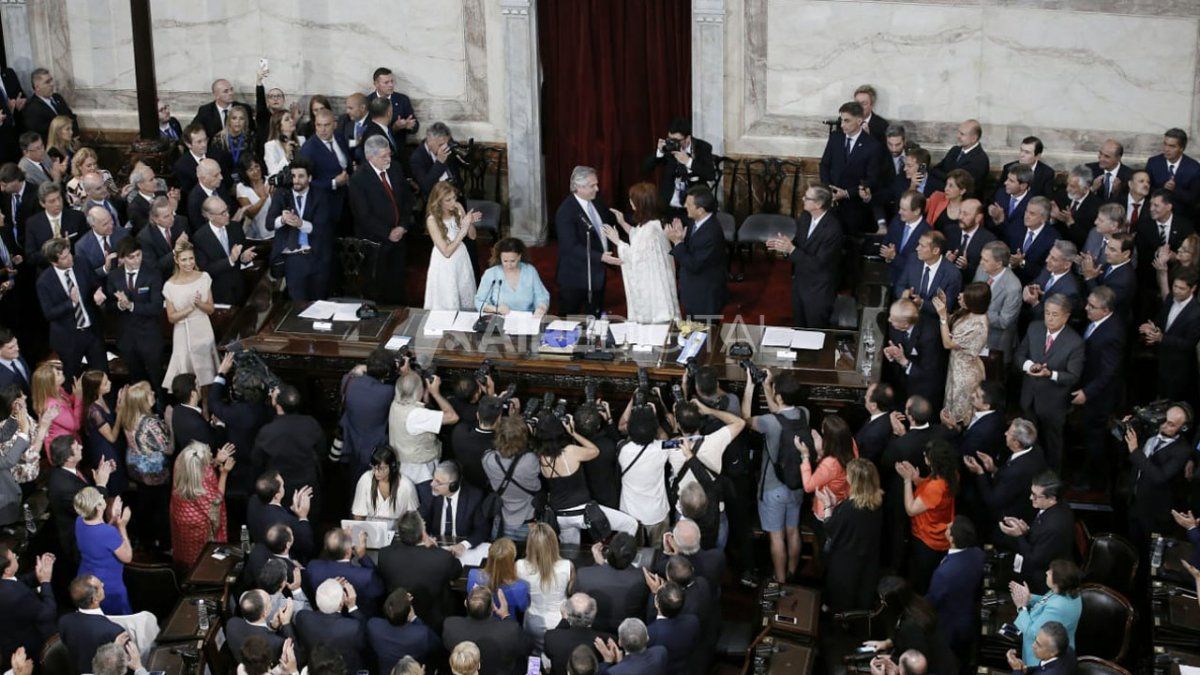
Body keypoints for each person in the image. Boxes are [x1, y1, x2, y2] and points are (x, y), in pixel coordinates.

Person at [741, 370, 807, 584]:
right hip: (797, 483)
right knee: (793, 531)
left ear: (779, 396)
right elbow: (780, 412)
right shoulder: (804, 414)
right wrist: (767, 385)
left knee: (777, 537)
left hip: (773, 486)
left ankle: (780, 580)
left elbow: (745, 419)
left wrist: (752, 386)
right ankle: (792, 571)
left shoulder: (769, 423)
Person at [536, 413, 638, 546]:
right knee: (631, 524)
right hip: (581, 512)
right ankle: (620, 555)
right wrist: (573, 433)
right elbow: (595, 451)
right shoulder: (570, 451)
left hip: (560, 515)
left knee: (571, 551)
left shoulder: (541, 457)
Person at [766, 183, 844, 328]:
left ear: (818, 204)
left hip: (819, 290)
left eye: (807, 198)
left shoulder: (833, 229)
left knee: (815, 330)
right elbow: (799, 245)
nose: (803, 199)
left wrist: (791, 250)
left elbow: (818, 264)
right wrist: (783, 245)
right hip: (800, 283)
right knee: (799, 326)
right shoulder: (805, 217)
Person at [602, 181, 679, 324]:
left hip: (653, 290)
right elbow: (638, 236)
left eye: (632, 199)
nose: (630, 201)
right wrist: (623, 223)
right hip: (660, 284)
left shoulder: (650, 230)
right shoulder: (654, 223)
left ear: (639, 203)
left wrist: (617, 241)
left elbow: (635, 258)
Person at [349, 134, 413, 304]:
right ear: (370, 157)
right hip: (375, 245)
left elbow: (407, 200)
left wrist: (403, 226)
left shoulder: (396, 168)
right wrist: (388, 233)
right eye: (383, 156)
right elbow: (363, 215)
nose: (388, 159)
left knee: (398, 285)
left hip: (399, 239)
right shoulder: (359, 179)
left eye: (389, 154)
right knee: (378, 289)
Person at [378, 511, 462, 633]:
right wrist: (434, 549)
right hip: (433, 621)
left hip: (396, 615)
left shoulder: (385, 554)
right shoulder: (442, 557)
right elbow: (457, 571)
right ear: (423, 533)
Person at [36, 237, 107, 381]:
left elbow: (96, 282)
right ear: (54, 262)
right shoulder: (44, 282)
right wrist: (71, 303)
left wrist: (98, 291)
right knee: (71, 380)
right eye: (64, 257)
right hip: (68, 339)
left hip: (92, 332)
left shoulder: (81, 262)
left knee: (102, 376)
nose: (70, 258)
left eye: (69, 253)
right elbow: (49, 313)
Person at [1124, 403, 1193, 548]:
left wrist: (1135, 451)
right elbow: (1128, 452)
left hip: (1154, 514)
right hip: (1134, 503)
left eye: (1171, 424)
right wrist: (1126, 428)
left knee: (1150, 552)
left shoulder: (1182, 450)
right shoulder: (1151, 432)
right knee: (1131, 545)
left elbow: (1159, 477)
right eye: (1164, 420)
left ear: (1183, 428)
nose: (1164, 425)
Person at [820, 456, 884, 610]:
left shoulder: (849, 509)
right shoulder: (877, 503)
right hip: (867, 560)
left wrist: (828, 506)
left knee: (841, 600)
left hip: (845, 562)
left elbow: (830, 528)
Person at [963, 418, 1047, 536]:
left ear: (1016, 443)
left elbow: (992, 501)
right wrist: (994, 469)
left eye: (1009, 432)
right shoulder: (1035, 451)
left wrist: (980, 472)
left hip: (1011, 520)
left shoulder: (1017, 471)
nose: (1005, 433)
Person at [265, 159, 333, 301]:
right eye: (293, 176)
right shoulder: (282, 194)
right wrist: (282, 220)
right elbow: (269, 224)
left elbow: (321, 228)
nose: (296, 180)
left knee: (319, 302)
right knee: (298, 304)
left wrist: (300, 223)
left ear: (309, 178)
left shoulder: (320, 195)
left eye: (301, 176)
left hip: (316, 255)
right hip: (293, 258)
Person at [862, 576, 958, 675]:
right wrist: (887, 643)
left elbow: (918, 665)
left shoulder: (911, 627)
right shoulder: (916, 607)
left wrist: (892, 659)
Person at [999, 471, 1076, 594]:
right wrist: (1026, 531)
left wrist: (1019, 536)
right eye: (1031, 493)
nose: (1031, 498)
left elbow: (1034, 561)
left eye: (1036, 496)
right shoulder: (1053, 507)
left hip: (1044, 580)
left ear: (1052, 498)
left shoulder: (1054, 525)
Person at [556, 166, 618, 317]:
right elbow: (570, 247)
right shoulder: (566, 212)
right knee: (571, 321)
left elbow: (610, 220)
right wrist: (601, 257)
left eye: (596, 184)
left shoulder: (596, 202)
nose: (597, 189)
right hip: (576, 279)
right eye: (592, 186)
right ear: (578, 187)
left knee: (595, 318)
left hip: (597, 276)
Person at [253, 385, 325, 514]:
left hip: (279, 490)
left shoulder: (267, 432)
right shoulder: (311, 424)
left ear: (278, 404)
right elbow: (322, 452)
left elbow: (257, 461)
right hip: (307, 488)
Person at [897, 440, 958, 594]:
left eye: (927, 455)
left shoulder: (936, 487)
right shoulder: (951, 474)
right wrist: (916, 479)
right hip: (941, 532)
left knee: (923, 581)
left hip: (927, 537)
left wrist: (907, 481)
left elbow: (911, 509)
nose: (924, 455)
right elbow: (930, 490)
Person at [117, 381, 172, 546]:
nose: (153, 393)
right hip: (153, 472)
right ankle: (163, 542)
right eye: (150, 393)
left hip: (135, 467)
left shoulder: (128, 414)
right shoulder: (150, 423)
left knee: (144, 503)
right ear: (142, 401)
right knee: (160, 506)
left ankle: (145, 539)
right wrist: (169, 422)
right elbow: (168, 449)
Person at [925, 516, 984, 664]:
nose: (946, 526)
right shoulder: (978, 554)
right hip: (970, 619)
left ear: (951, 538)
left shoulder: (944, 573)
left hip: (949, 626)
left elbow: (933, 600)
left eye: (949, 528)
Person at [162, 240, 220, 388]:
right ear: (176, 260)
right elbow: (171, 317)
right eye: (184, 260)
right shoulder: (170, 286)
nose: (188, 263)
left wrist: (199, 303)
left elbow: (211, 309)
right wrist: (189, 308)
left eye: (191, 258)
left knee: (208, 374)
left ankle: (208, 401)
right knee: (187, 377)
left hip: (203, 330)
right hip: (183, 333)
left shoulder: (204, 277)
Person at [818, 100, 882, 234]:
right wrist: (828, 189)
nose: (842, 125)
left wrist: (847, 193)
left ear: (859, 120)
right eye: (841, 120)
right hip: (831, 203)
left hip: (854, 208)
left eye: (847, 121)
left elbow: (872, 178)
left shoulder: (872, 145)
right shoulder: (835, 137)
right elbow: (824, 165)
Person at [665, 186, 727, 320]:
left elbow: (694, 264)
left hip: (705, 297)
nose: (685, 206)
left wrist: (677, 242)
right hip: (693, 291)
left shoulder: (710, 233)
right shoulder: (695, 222)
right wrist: (681, 238)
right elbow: (692, 248)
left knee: (704, 331)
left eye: (689, 204)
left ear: (700, 210)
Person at [170, 440, 234, 567]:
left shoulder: (182, 465)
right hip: (198, 525)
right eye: (208, 455)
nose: (211, 454)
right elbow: (216, 501)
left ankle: (185, 567)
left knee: (184, 546)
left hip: (180, 513)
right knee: (200, 553)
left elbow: (199, 466)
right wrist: (224, 473)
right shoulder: (200, 487)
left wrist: (216, 461)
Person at [1141, 270, 1200, 407]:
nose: (1176, 291)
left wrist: (1162, 338)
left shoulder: (1196, 313)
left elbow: (1189, 344)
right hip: (1161, 360)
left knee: (1171, 402)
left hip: (1179, 369)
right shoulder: (1170, 298)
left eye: (1181, 288)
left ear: (1193, 289)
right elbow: (1162, 319)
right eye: (1175, 286)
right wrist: (1153, 328)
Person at [933, 282, 990, 424]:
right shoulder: (968, 312)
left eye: (965, 296)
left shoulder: (978, 325)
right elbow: (951, 324)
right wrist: (945, 308)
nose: (960, 296)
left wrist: (942, 316)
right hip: (956, 366)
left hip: (964, 376)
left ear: (974, 303)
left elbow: (948, 343)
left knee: (956, 415)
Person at [389, 371, 458, 484]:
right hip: (420, 473)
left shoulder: (395, 404)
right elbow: (452, 417)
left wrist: (425, 397)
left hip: (402, 465)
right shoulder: (416, 415)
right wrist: (435, 393)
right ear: (419, 390)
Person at [1010, 560, 1083, 666]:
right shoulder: (1066, 591)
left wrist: (1021, 607)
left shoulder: (1059, 608)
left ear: (1058, 581)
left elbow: (1033, 632)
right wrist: (1029, 597)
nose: (1046, 572)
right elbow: (1047, 601)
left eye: (1050, 572)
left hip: (1041, 658)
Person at [73, 487, 132, 614]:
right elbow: (127, 557)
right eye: (100, 496)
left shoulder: (79, 521)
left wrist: (114, 518)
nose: (102, 496)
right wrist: (122, 526)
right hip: (106, 584)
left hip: (86, 576)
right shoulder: (108, 533)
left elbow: (102, 534)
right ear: (99, 507)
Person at [443, 586, 528, 675]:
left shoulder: (450, 625)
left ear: (465, 604)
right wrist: (506, 616)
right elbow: (528, 648)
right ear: (492, 608)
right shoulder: (511, 630)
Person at [517, 522, 575, 651]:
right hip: (560, 621)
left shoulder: (519, 566)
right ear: (554, 544)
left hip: (532, 620)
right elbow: (570, 592)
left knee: (534, 653)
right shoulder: (568, 566)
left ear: (530, 545)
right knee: (556, 653)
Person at [575, 533, 648, 635]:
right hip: (628, 633)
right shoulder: (643, 578)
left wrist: (600, 565)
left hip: (594, 631)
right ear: (634, 556)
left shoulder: (583, 575)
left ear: (609, 551)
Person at [483, 416, 542, 541]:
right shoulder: (530, 460)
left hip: (501, 524)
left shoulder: (489, 459)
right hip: (528, 523)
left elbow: (492, 450)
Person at [644, 117, 716, 217]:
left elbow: (710, 175)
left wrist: (688, 162)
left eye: (677, 140)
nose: (673, 143)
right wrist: (659, 152)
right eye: (670, 139)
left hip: (692, 207)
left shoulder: (702, 147)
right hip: (668, 204)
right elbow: (645, 169)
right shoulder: (669, 147)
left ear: (688, 138)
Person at [423, 182, 479, 310]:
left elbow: (472, 236)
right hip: (445, 264)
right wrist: (463, 230)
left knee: (465, 296)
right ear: (438, 201)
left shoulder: (458, 207)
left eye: (454, 197)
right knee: (448, 301)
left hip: (461, 258)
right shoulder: (432, 220)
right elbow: (446, 252)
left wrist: (469, 222)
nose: (453, 202)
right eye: (448, 200)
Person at [293, 578, 368, 673]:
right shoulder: (353, 628)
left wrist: (327, 590)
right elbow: (366, 634)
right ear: (341, 603)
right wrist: (352, 607)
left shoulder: (302, 617)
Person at [0, 545, 56, 670]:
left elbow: (17, 581)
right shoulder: (17, 595)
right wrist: (45, 581)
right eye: (13, 557)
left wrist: (37, 574)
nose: (15, 556)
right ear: (7, 570)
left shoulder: (5, 581)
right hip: (25, 645)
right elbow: (48, 613)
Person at [308, 528, 385, 617]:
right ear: (349, 551)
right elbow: (380, 589)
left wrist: (342, 539)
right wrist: (363, 556)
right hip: (359, 617)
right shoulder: (366, 575)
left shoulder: (313, 567)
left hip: (325, 615)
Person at [418, 460, 491, 556]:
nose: (432, 484)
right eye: (434, 478)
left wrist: (464, 545)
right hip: (436, 547)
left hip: (463, 550)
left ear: (453, 486)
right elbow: (419, 519)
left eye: (438, 482)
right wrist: (425, 537)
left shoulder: (474, 497)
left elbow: (482, 529)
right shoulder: (430, 492)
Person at [193, 194, 255, 304]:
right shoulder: (200, 237)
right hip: (220, 291)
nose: (228, 215)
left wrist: (244, 258)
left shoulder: (235, 227)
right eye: (223, 213)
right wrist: (230, 260)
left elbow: (242, 254)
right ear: (210, 216)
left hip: (240, 285)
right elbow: (205, 269)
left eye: (227, 210)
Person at [57, 575, 125, 675]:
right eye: (100, 585)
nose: (103, 584)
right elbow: (122, 668)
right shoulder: (115, 632)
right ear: (94, 599)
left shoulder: (64, 621)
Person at [366, 588, 442, 674]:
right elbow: (436, 645)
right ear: (408, 613)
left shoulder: (373, 626)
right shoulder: (421, 635)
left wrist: (402, 604)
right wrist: (414, 618)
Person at [475, 237, 550, 316]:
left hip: (526, 318)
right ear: (500, 257)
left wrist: (541, 308)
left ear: (519, 257)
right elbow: (479, 301)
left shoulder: (530, 271)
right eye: (505, 261)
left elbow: (541, 296)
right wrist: (496, 309)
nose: (509, 265)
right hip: (499, 318)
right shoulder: (491, 273)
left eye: (512, 261)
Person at [80, 371, 126, 495]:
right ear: (96, 389)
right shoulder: (94, 411)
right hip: (105, 451)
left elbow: (111, 419)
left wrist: (118, 405)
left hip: (112, 447)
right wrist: (120, 413)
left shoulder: (102, 399)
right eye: (105, 383)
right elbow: (111, 437)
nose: (110, 383)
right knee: (113, 485)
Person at [466, 537, 531, 621]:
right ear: (512, 560)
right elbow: (523, 608)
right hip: (506, 623)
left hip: (480, 621)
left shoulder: (473, 575)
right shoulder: (520, 587)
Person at [224, 590, 294, 665]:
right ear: (265, 612)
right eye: (269, 600)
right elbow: (293, 656)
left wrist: (272, 627)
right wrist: (286, 623)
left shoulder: (232, 623)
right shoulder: (275, 642)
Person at [544, 594, 609, 675]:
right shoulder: (605, 641)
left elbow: (549, 651)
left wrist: (564, 620)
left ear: (567, 613)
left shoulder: (551, 637)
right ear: (594, 612)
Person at [353, 446, 419, 522]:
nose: (376, 472)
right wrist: (360, 528)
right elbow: (358, 514)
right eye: (374, 467)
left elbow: (412, 518)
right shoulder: (365, 480)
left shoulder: (406, 486)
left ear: (392, 467)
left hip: (397, 528)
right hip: (370, 528)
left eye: (381, 468)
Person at [32, 359, 81, 457]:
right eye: (58, 374)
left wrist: (75, 395)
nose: (61, 372)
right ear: (51, 383)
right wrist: (79, 397)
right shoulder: (52, 406)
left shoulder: (58, 390)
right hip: (62, 450)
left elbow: (68, 403)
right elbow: (76, 425)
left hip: (68, 441)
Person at [932, 119, 990, 197]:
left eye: (962, 134)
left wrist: (944, 176)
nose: (958, 136)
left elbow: (961, 184)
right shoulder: (955, 150)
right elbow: (935, 169)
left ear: (974, 138)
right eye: (958, 132)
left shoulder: (980, 159)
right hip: (942, 193)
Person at [594, 618, 668, 675]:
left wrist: (607, 662)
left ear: (620, 643)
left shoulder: (613, 672)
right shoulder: (660, 652)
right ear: (647, 638)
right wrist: (621, 663)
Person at [1147, 128, 1200, 206]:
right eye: (1165, 144)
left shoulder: (1194, 168)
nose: (1166, 149)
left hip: (1182, 211)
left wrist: (1175, 190)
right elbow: (1146, 190)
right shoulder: (1153, 162)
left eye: (1172, 146)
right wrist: (1163, 189)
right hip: (1156, 209)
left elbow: (1194, 199)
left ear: (1182, 148)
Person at [368, 67, 420, 147]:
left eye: (392, 81)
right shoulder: (368, 101)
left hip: (399, 148)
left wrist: (410, 125)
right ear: (376, 84)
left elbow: (415, 125)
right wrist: (394, 128)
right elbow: (369, 129)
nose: (391, 85)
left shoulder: (402, 99)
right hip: (377, 148)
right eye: (386, 82)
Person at [22, 69, 76, 141]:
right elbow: (41, 134)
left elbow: (71, 117)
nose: (52, 84)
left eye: (51, 80)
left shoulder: (57, 97)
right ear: (37, 87)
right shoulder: (32, 108)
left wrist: (75, 137)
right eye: (47, 82)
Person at [1006, 621, 1075, 675]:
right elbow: (1043, 667)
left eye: (1039, 645)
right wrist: (1026, 669)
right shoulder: (1068, 650)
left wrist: (1017, 670)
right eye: (1036, 640)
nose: (1033, 645)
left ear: (1053, 652)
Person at [235, 156, 274, 241]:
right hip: (255, 238)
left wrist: (273, 194)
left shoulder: (269, 181)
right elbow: (250, 214)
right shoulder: (241, 188)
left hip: (274, 233)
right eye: (251, 170)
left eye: (257, 166)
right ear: (244, 173)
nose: (256, 171)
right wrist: (263, 198)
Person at [263, 111, 304, 180]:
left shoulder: (302, 140)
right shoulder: (271, 146)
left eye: (291, 118)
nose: (291, 121)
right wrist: (286, 157)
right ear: (279, 126)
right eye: (287, 119)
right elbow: (273, 173)